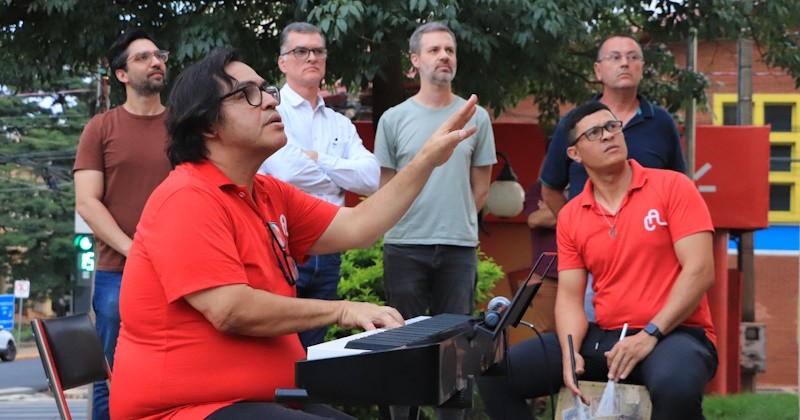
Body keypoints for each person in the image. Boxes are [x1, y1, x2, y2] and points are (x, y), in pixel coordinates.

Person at [109, 45, 481, 419]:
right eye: (247, 94)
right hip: (183, 410)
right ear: (207, 125)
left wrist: (425, 160)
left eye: (266, 89)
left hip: (267, 400)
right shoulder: (186, 197)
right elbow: (231, 309)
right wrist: (343, 310)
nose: (271, 101)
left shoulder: (268, 192)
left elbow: (358, 226)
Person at [478, 101, 718, 420]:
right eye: (593, 132)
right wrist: (569, 352)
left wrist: (649, 334)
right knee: (494, 372)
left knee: (674, 387)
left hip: (675, 334)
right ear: (574, 154)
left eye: (611, 126)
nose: (607, 135)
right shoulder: (572, 215)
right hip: (606, 337)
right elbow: (569, 297)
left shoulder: (673, 186)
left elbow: (700, 271)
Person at [540, 34, 686, 321]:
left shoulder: (662, 123)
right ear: (598, 70)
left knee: (652, 338)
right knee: (590, 339)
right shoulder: (574, 124)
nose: (625, 63)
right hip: (593, 265)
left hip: (652, 267)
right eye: (615, 57)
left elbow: (680, 190)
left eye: (633, 57)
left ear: (642, 68)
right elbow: (550, 188)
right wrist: (580, 234)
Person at [259, 22, 380, 350]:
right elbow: (286, 171)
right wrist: (341, 175)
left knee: (313, 351)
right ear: (283, 62)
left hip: (329, 250)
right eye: (300, 51)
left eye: (318, 51)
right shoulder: (270, 112)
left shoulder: (340, 123)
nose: (311, 57)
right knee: (279, 347)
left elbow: (370, 177)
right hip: (282, 246)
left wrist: (318, 159)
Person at [73, 27, 171, 420]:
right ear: (122, 74)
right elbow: (87, 202)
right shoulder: (101, 128)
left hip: (180, 270)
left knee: (174, 367)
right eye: (143, 57)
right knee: (111, 372)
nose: (156, 61)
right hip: (119, 271)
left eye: (158, 55)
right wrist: (135, 250)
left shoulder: (184, 127)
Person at [374, 21, 496, 322]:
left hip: (458, 246)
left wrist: (454, 221)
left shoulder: (476, 117)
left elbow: (481, 189)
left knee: (455, 338)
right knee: (403, 338)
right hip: (404, 244)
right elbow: (385, 188)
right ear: (415, 60)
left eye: (450, 50)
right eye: (434, 50)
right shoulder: (392, 119)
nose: (444, 56)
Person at [523, 177, 558, 333]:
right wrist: (576, 209)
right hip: (546, 274)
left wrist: (551, 209)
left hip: (586, 274)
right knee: (546, 336)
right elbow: (535, 219)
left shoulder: (590, 185)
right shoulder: (537, 188)